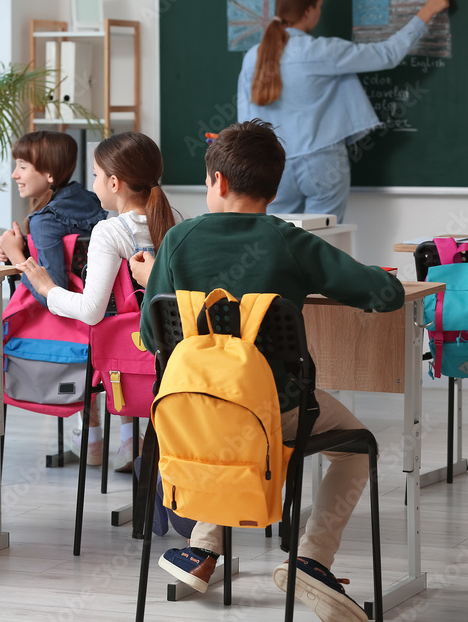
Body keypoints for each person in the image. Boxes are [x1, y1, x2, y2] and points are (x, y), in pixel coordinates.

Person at [131, 120, 403, 622]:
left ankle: (203, 548)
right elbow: (383, 296)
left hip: (191, 414)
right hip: (276, 410)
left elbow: (151, 338)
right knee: (356, 444)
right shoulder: (289, 240)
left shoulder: (177, 241)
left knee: (225, 415)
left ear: (219, 182)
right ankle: (312, 560)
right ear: (274, 189)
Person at [14, 132, 176, 476]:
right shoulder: (173, 220)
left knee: (80, 327)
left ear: (114, 183)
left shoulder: (110, 230)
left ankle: (92, 437)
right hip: (168, 354)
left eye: (97, 176)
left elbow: (91, 310)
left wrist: (46, 287)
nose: (93, 184)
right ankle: (132, 439)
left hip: (123, 354)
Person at [237, 0, 455, 222]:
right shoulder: (322, 50)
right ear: (308, 10)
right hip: (322, 163)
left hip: (273, 166)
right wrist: (427, 11)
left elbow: (245, 121)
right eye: (319, 6)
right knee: (322, 246)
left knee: (277, 243)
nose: (318, 12)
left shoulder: (252, 57)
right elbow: (387, 54)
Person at [0, 131, 108, 465]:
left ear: (49, 174)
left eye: (22, 166)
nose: (15, 174)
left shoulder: (45, 220)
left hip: (69, 327)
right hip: (106, 321)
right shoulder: (95, 203)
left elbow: (52, 292)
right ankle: (126, 442)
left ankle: (91, 441)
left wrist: (18, 255)